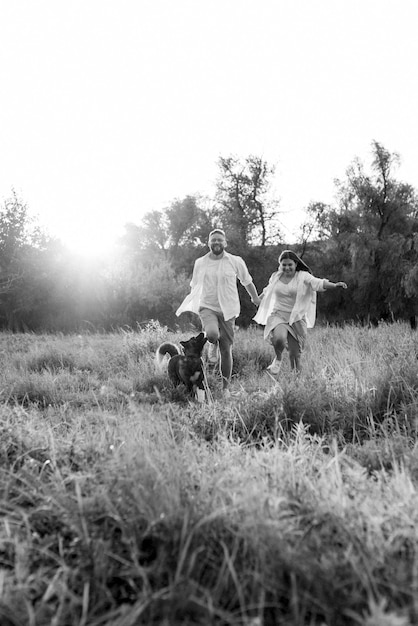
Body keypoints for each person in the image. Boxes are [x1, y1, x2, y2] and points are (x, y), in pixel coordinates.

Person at [176, 229, 260, 392]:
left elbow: (247, 281)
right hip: (207, 307)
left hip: (228, 310)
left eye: (219, 240)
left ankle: (225, 388)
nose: (216, 243)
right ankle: (212, 343)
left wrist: (255, 298)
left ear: (225, 243)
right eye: (213, 240)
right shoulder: (200, 262)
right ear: (208, 243)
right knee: (213, 334)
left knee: (226, 350)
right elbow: (194, 286)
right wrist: (192, 303)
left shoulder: (235, 261)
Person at [253, 250, 347, 374]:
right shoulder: (275, 276)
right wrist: (257, 299)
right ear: (280, 265)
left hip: (296, 317)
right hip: (278, 314)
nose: (286, 268)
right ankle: (278, 359)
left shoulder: (303, 276)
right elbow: (268, 290)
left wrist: (334, 285)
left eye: (289, 265)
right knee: (279, 338)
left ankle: (296, 382)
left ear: (296, 264)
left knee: (295, 355)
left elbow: (317, 283)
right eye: (284, 265)